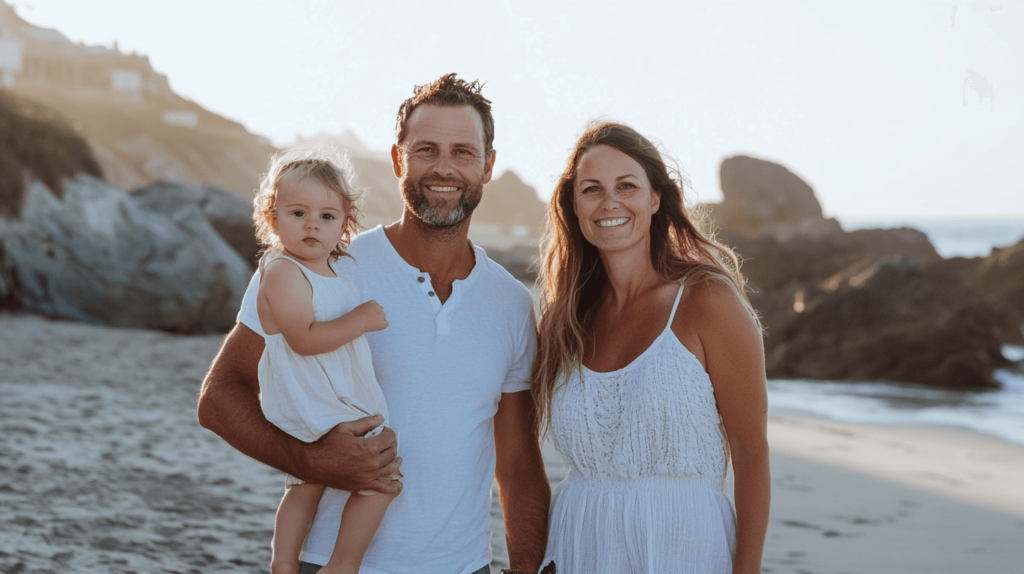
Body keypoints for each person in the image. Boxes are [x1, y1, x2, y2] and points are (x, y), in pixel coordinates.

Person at [197, 74, 550, 574]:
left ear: (488, 165)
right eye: (426, 149)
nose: (444, 168)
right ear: (397, 159)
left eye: (463, 153)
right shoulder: (318, 267)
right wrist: (308, 461)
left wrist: (528, 568)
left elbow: (517, 466)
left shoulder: (511, 303)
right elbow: (219, 397)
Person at [531, 122, 771, 574]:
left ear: (655, 198)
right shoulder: (563, 322)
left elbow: (751, 449)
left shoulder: (706, 300)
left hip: (682, 543)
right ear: (574, 206)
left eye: (627, 185)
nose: (610, 202)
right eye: (592, 189)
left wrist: (748, 570)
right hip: (578, 542)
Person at [250, 151, 395, 574]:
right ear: (273, 218)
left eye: (327, 216)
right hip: (313, 398)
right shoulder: (282, 271)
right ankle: (327, 564)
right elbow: (303, 340)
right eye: (298, 212)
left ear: (345, 224)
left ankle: (298, 563)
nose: (313, 224)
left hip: (331, 395)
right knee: (380, 482)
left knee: (309, 484)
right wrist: (361, 318)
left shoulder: (331, 270)